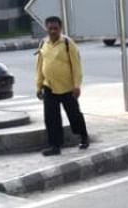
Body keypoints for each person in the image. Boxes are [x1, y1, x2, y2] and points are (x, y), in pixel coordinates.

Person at [33, 16, 88, 156]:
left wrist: (77, 85)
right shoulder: (43, 44)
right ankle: (54, 146)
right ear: (46, 28)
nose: (52, 31)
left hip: (67, 87)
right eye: (50, 28)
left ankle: (83, 136)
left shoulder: (68, 44)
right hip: (49, 87)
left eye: (55, 28)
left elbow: (76, 66)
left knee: (74, 115)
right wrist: (39, 86)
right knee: (51, 118)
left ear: (60, 28)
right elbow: (40, 66)